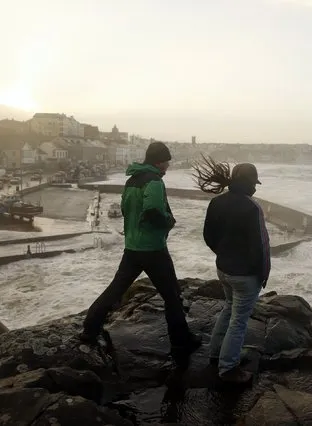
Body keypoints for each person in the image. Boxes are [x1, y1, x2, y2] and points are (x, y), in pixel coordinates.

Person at [80, 141, 201, 367]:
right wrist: (168, 223)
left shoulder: (131, 181)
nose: (168, 166)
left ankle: (89, 328)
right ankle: (181, 343)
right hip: (153, 249)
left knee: (115, 289)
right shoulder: (154, 182)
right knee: (172, 296)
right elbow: (154, 210)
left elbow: (126, 211)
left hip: (132, 247)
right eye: (166, 161)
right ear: (158, 161)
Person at [192, 156, 271, 383]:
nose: (256, 188)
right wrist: (262, 274)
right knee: (238, 320)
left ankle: (216, 354)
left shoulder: (217, 202)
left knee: (228, 309)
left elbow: (208, 235)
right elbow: (261, 246)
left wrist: (223, 254)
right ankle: (228, 368)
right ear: (248, 183)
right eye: (255, 183)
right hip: (245, 275)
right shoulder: (252, 207)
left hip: (223, 269)